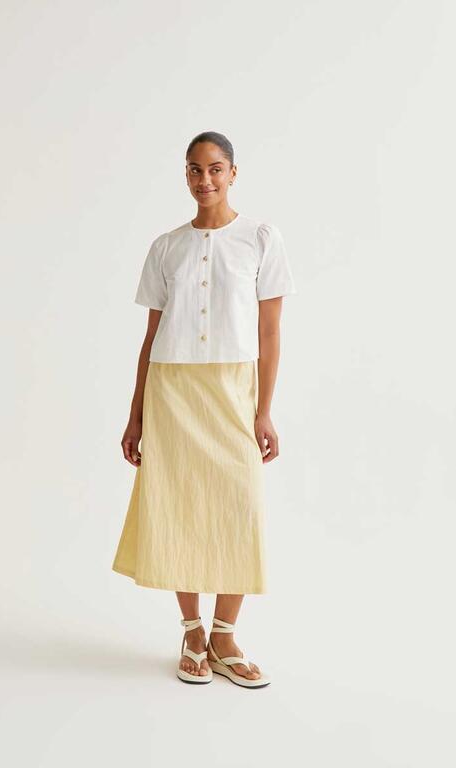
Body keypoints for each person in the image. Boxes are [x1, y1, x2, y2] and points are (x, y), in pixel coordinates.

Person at [112, 131, 296, 688]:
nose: (205, 179)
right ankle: (193, 632)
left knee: (239, 506)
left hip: (233, 389)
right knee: (177, 505)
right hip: (172, 389)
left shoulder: (260, 238)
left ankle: (225, 636)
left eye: (216, 168)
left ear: (233, 172)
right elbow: (150, 337)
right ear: (186, 175)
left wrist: (264, 411)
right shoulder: (166, 246)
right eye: (195, 169)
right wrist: (136, 414)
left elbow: (270, 332)